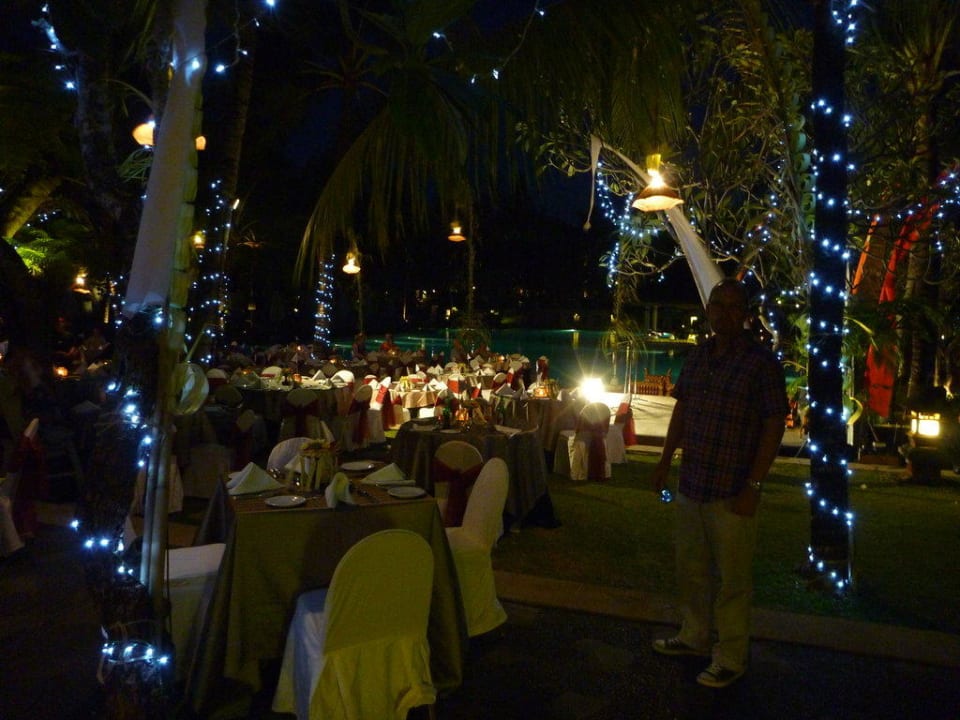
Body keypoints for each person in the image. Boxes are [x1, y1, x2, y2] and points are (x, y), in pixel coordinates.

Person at [650, 278, 787, 689]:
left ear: (745, 314)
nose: (723, 313)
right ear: (708, 309)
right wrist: (664, 461)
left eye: (733, 306)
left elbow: (774, 424)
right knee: (691, 570)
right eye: (717, 305)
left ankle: (730, 657)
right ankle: (694, 636)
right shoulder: (698, 357)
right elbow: (682, 410)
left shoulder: (761, 363)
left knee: (733, 581)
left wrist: (754, 486)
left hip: (732, 490)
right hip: (692, 483)